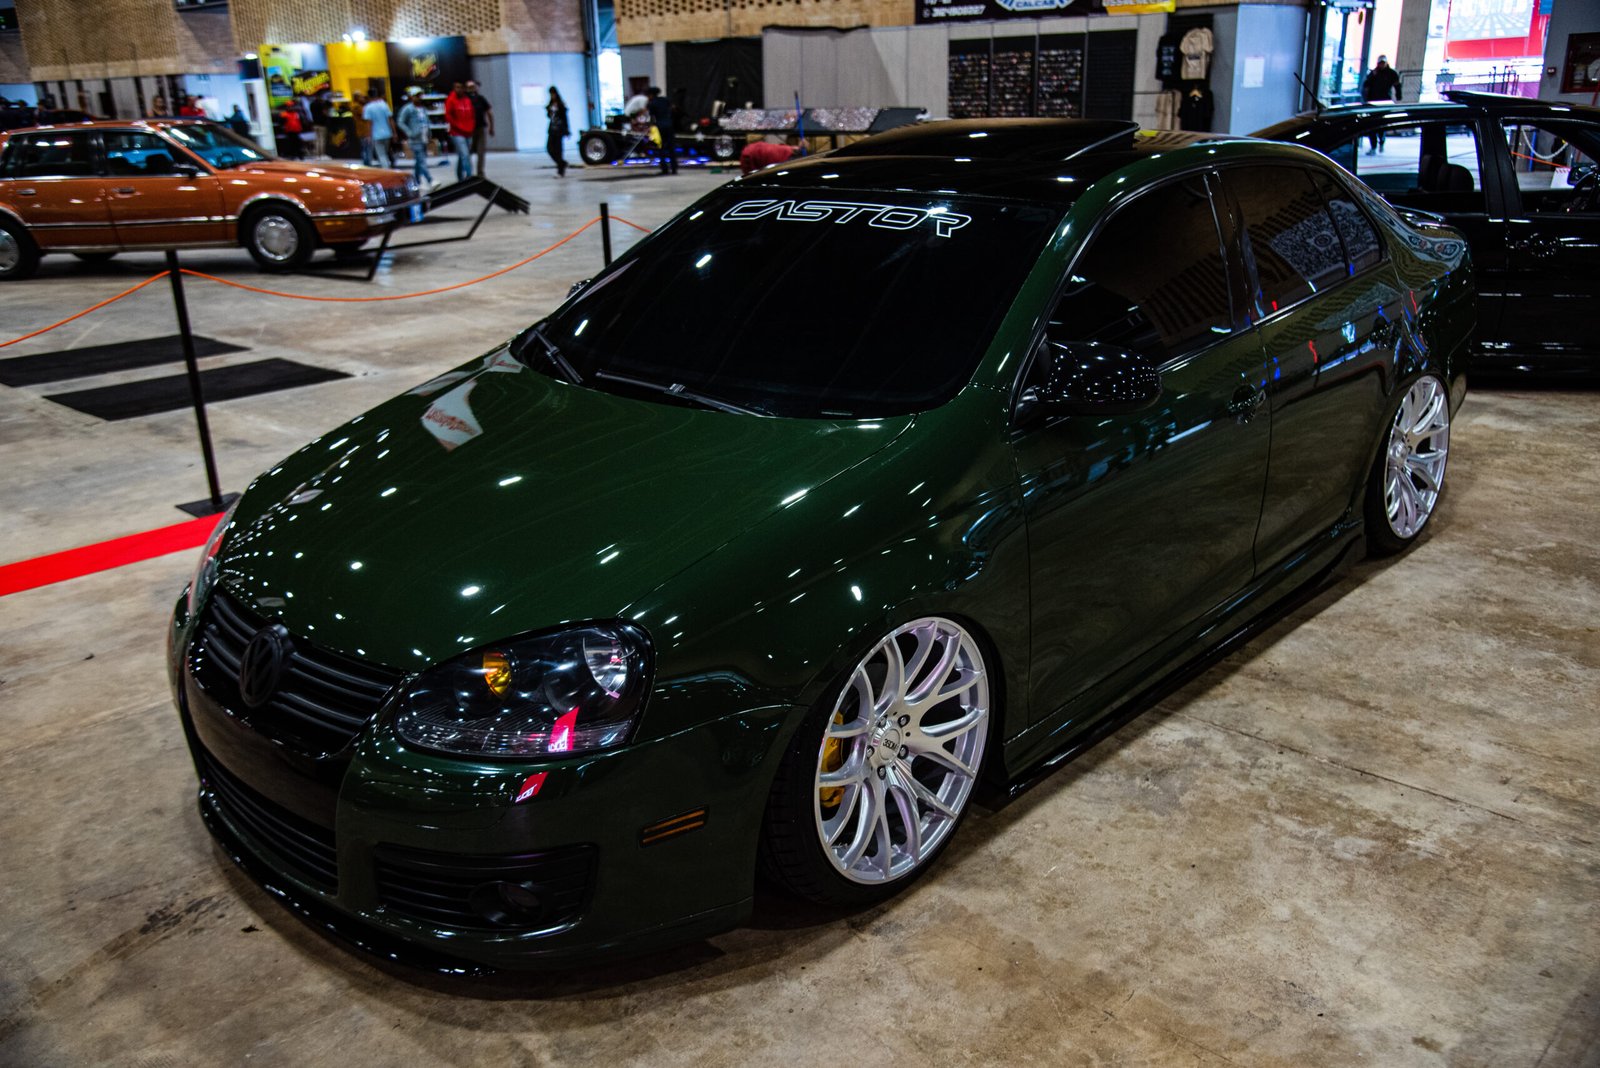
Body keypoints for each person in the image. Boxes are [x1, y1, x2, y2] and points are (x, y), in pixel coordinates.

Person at [1362, 56, 1402, 154]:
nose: (1382, 65)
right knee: (1372, 125)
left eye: (1383, 63)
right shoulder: (1374, 73)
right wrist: (1366, 99)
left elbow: (1397, 85)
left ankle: (1381, 142)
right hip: (1373, 102)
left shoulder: (1391, 73)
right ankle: (1373, 146)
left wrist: (1398, 96)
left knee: (1381, 125)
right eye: (1380, 63)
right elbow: (1366, 85)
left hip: (1384, 103)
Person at [397, 86, 433, 185]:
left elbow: (426, 122)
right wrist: (409, 132)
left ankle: (416, 180)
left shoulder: (423, 109)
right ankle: (430, 180)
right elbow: (400, 122)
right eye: (417, 96)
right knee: (421, 160)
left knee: (419, 160)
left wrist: (429, 134)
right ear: (412, 97)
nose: (419, 98)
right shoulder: (407, 109)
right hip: (415, 139)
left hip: (423, 137)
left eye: (420, 95)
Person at [445, 82, 476, 181]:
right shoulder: (451, 100)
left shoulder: (467, 100)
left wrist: (471, 127)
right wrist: (457, 126)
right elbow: (448, 115)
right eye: (457, 87)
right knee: (465, 154)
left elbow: (472, 115)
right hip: (457, 132)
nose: (459, 89)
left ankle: (460, 176)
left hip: (468, 131)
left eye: (461, 87)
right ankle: (470, 176)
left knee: (463, 155)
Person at [465, 79, 493, 177]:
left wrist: (491, 127)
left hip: (481, 128)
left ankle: (480, 172)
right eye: (469, 87)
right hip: (468, 130)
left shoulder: (481, 99)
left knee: (481, 152)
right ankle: (468, 172)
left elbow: (489, 113)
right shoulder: (465, 100)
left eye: (473, 87)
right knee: (467, 152)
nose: (471, 89)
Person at [646, 86, 676, 175]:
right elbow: (672, 109)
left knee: (661, 148)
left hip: (660, 126)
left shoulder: (652, 103)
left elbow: (652, 117)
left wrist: (650, 127)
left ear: (651, 95)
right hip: (670, 125)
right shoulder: (665, 100)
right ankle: (674, 168)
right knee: (671, 148)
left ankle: (664, 168)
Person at [364, 92, 393, 168]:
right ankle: (388, 166)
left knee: (381, 155)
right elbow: (390, 119)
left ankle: (386, 170)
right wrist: (394, 132)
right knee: (385, 153)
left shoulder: (368, 107)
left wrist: (369, 135)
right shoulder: (384, 105)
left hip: (376, 135)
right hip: (387, 133)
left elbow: (369, 123)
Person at [546, 86, 569, 177]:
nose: (552, 96)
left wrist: (567, 130)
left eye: (553, 94)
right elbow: (549, 116)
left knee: (558, 150)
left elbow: (565, 118)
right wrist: (549, 110)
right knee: (549, 148)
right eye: (551, 94)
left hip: (559, 130)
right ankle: (562, 163)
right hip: (552, 129)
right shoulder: (551, 104)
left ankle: (561, 170)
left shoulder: (561, 104)